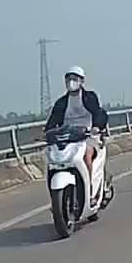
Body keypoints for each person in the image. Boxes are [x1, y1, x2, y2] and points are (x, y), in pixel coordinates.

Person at [44, 66, 109, 201]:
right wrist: (47, 133)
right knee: (53, 162)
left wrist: (96, 127)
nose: (71, 82)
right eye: (68, 79)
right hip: (68, 139)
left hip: (88, 136)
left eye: (74, 78)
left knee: (87, 155)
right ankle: (55, 198)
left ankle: (90, 190)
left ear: (81, 81)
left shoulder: (90, 97)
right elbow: (53, 121)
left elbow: (99, 113)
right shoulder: (61, 103)